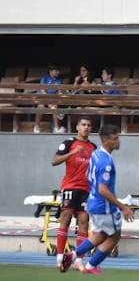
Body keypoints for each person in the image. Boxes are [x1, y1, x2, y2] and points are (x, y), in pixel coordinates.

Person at [72, 122, 134, 274]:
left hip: (93, 203)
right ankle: (90, 266)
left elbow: (87, 175)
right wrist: (123, 207)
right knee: (114, 236)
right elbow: (103, 189)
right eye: (115, 138)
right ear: (106, 141)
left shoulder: (96, 154)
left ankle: (73, 255)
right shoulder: (106, 162)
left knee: (101, 234)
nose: (119, 141)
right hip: (104, 206)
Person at [51, 116, 96, 270]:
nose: (86, 127)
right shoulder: (69, 143)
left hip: (86, 189)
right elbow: (54, 161)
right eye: (83, 124)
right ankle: (60, 256)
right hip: (70, 186)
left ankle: (78, 259)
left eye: (89, 125)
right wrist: (72, 153)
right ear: (77, 127)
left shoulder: (93, 147)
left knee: (84, 221)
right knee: (66, 218)